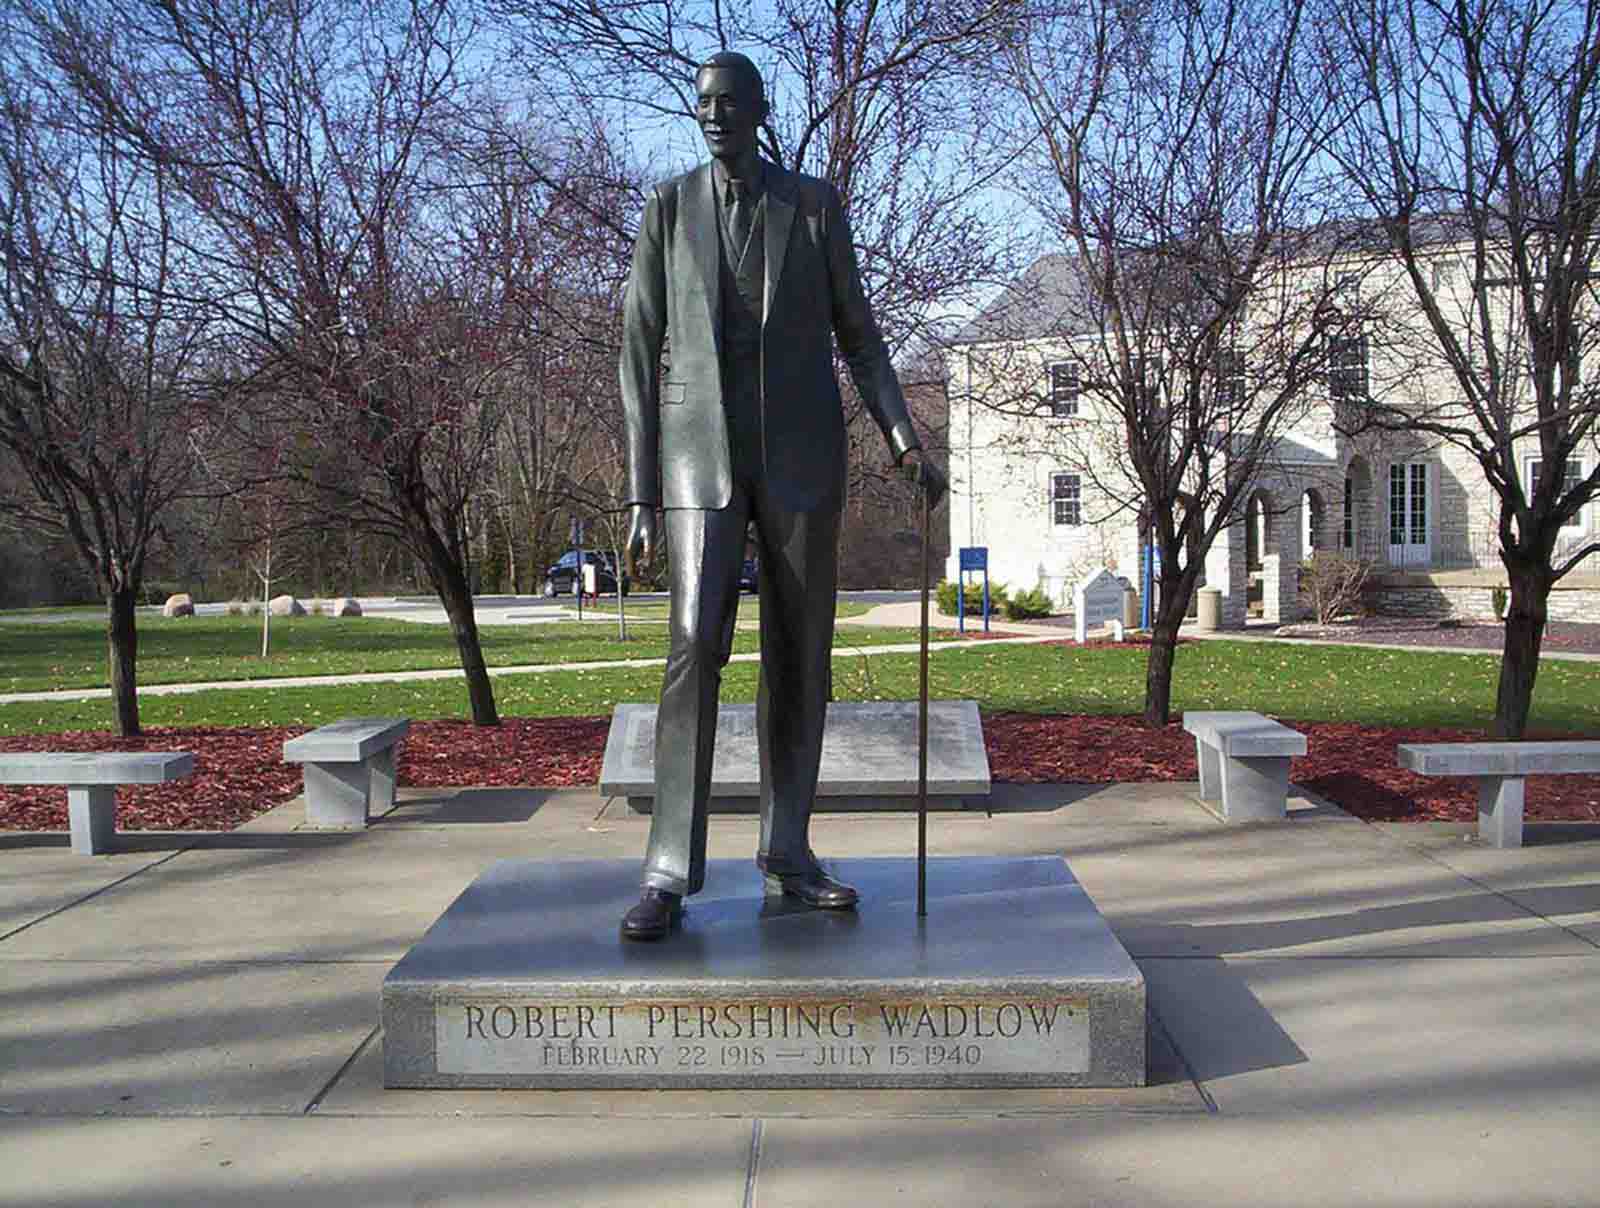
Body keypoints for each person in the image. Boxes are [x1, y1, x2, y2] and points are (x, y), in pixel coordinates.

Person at [617, 50, 943, 941]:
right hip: (697, 462)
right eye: (704, 105)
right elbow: (638, 357)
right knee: (692, 645)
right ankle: (667, 869)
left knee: (800, 655)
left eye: (731, 103)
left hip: (802, 457)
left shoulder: (813, 207)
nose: (715, 116)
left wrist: (906, 439)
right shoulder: (668, 208)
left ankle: (788, 850)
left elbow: (862, 338)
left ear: (761, 110)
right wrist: (641, 492)